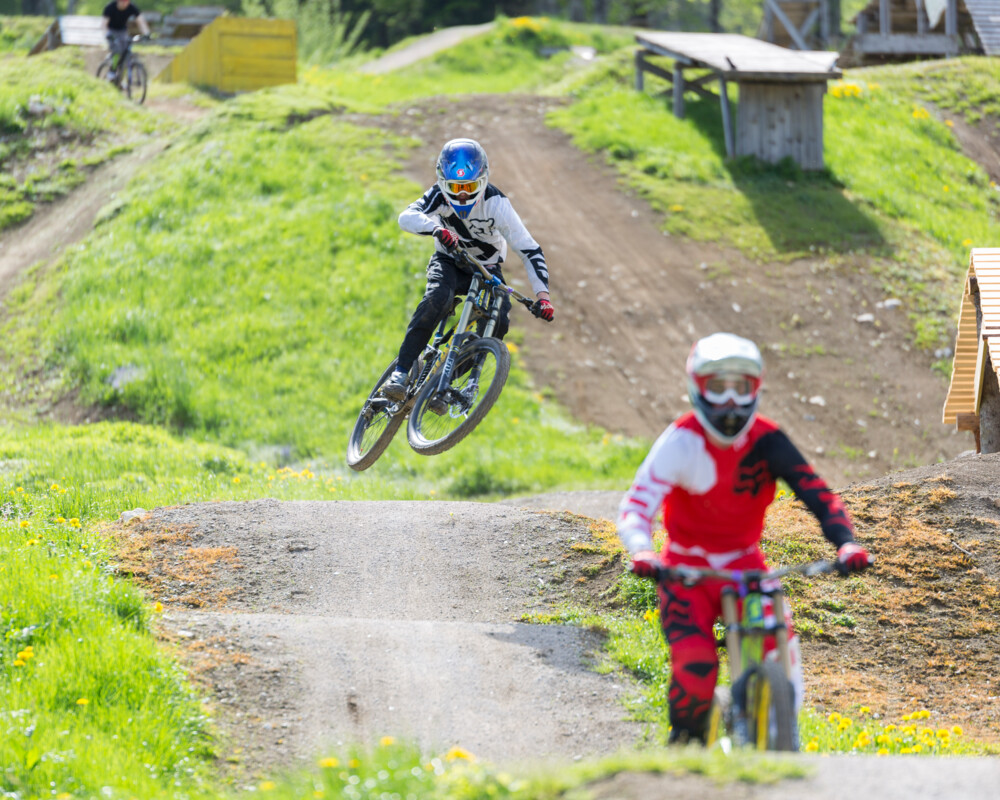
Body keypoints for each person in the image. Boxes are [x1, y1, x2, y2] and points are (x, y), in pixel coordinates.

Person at [616, 332, 871, 744]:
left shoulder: (769, 440)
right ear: (697, 388)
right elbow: (637, 505)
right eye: (718, 387)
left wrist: (846, 542)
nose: (731, 401)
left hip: (746, 568)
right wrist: (642, 548)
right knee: (695, 668)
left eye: (742, 387)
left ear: (757, 387)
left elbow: (818, 495)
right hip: (685, 575)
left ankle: (781, 731)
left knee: (781, 645)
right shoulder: (681, 441)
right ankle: (686, 743)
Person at [381, 138, 554, 401]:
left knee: (499, 322)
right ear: (442, 182)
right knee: (435, 300)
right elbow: (406, 217)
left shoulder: (497, 204)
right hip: (449, 261)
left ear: (483, 181)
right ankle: (401, 373)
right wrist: (436, 228)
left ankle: (444, 383)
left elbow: (529, 249)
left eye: (470, 186)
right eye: (455, 187)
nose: (462, 194)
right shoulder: (438, 196)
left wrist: (543, 296)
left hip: (487, 269)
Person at [101, 0, 150, 84]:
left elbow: (140, 21)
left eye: (126, 2)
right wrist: (108, 35)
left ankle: (120, 79)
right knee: (117, 50)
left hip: (123, 32)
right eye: (123, 2)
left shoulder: (131, 7)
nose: (125, 4)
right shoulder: (110, 7)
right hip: (111, 31)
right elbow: (104, 24)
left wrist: (147, 33)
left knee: (127, 53)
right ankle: (112, 72)